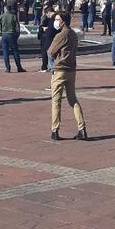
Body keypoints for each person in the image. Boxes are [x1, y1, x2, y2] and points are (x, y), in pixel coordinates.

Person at [47, 13, 87, 141]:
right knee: (73, 100)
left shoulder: (61, 35)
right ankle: (82, 128)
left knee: (56, 101)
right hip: (71, 70)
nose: (55, 21)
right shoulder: (73, 34)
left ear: (63, 21)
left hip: (60, 70)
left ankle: (55, 130)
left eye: (57, 19)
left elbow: (50, 51)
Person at [0, 4, 26, 73]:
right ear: (10, 9)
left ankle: (8, 68)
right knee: (15, 52)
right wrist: (16, 36)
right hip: (12, 35)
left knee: (5, 52)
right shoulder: (13, 16)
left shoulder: (1, 16)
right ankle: (19, 67)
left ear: (5, 9)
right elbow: (18, 28)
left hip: (4, 35)